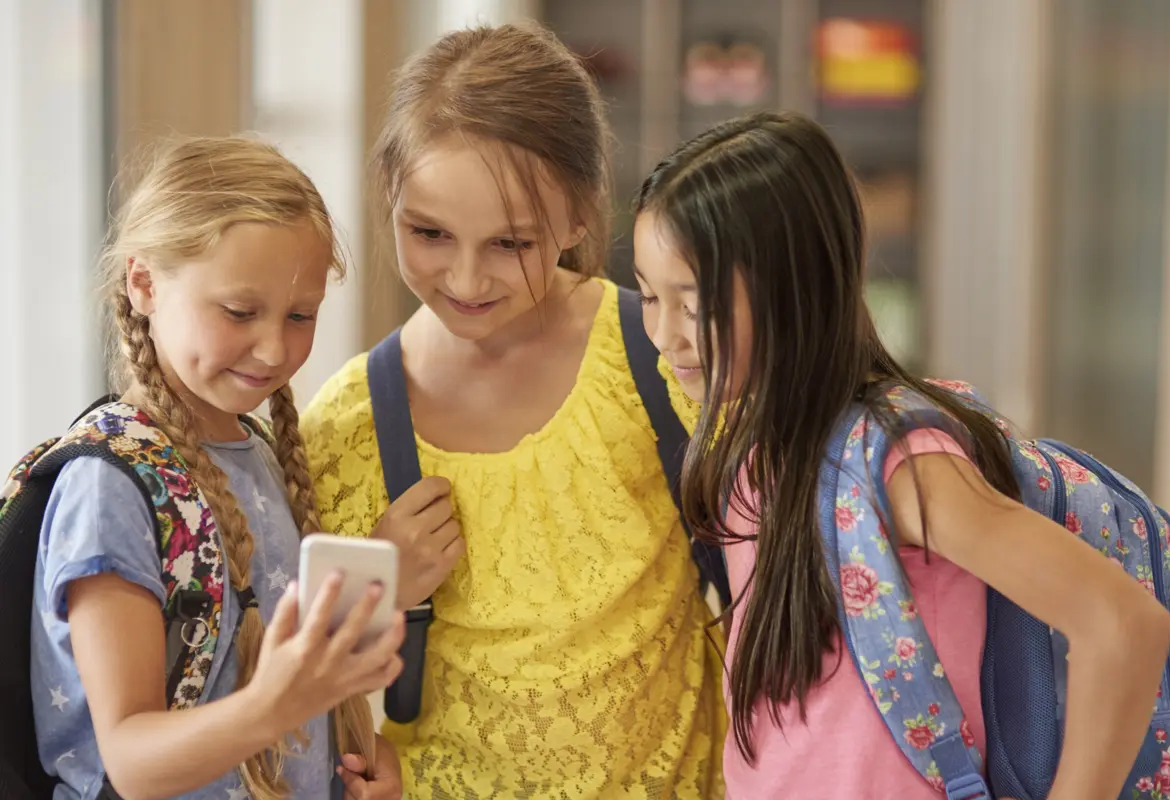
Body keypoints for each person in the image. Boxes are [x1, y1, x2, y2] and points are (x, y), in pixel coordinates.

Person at [629, 110, 1170, 799]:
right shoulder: (751, 446)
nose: (663, 336)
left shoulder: (900, 463)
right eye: (650, 298)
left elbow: (1122, 624)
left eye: (692, 303)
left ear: (793, 288)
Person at [301, 22, 725, 799]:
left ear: (577, 219)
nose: (465, 277)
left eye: (510, 244)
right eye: (429, 232)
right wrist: (381, 586)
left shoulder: (662, 360)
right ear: (388, 196)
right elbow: (298, 679)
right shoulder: (350, 423)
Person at [29, 136, 405, 799]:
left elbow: (253, 684)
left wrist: (356, 754)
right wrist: (277, 707)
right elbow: (131, 762)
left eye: (300, 315)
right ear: (143, 283)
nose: (273, 347)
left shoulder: (260, 453)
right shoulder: (110, 484)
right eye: (239, 312)